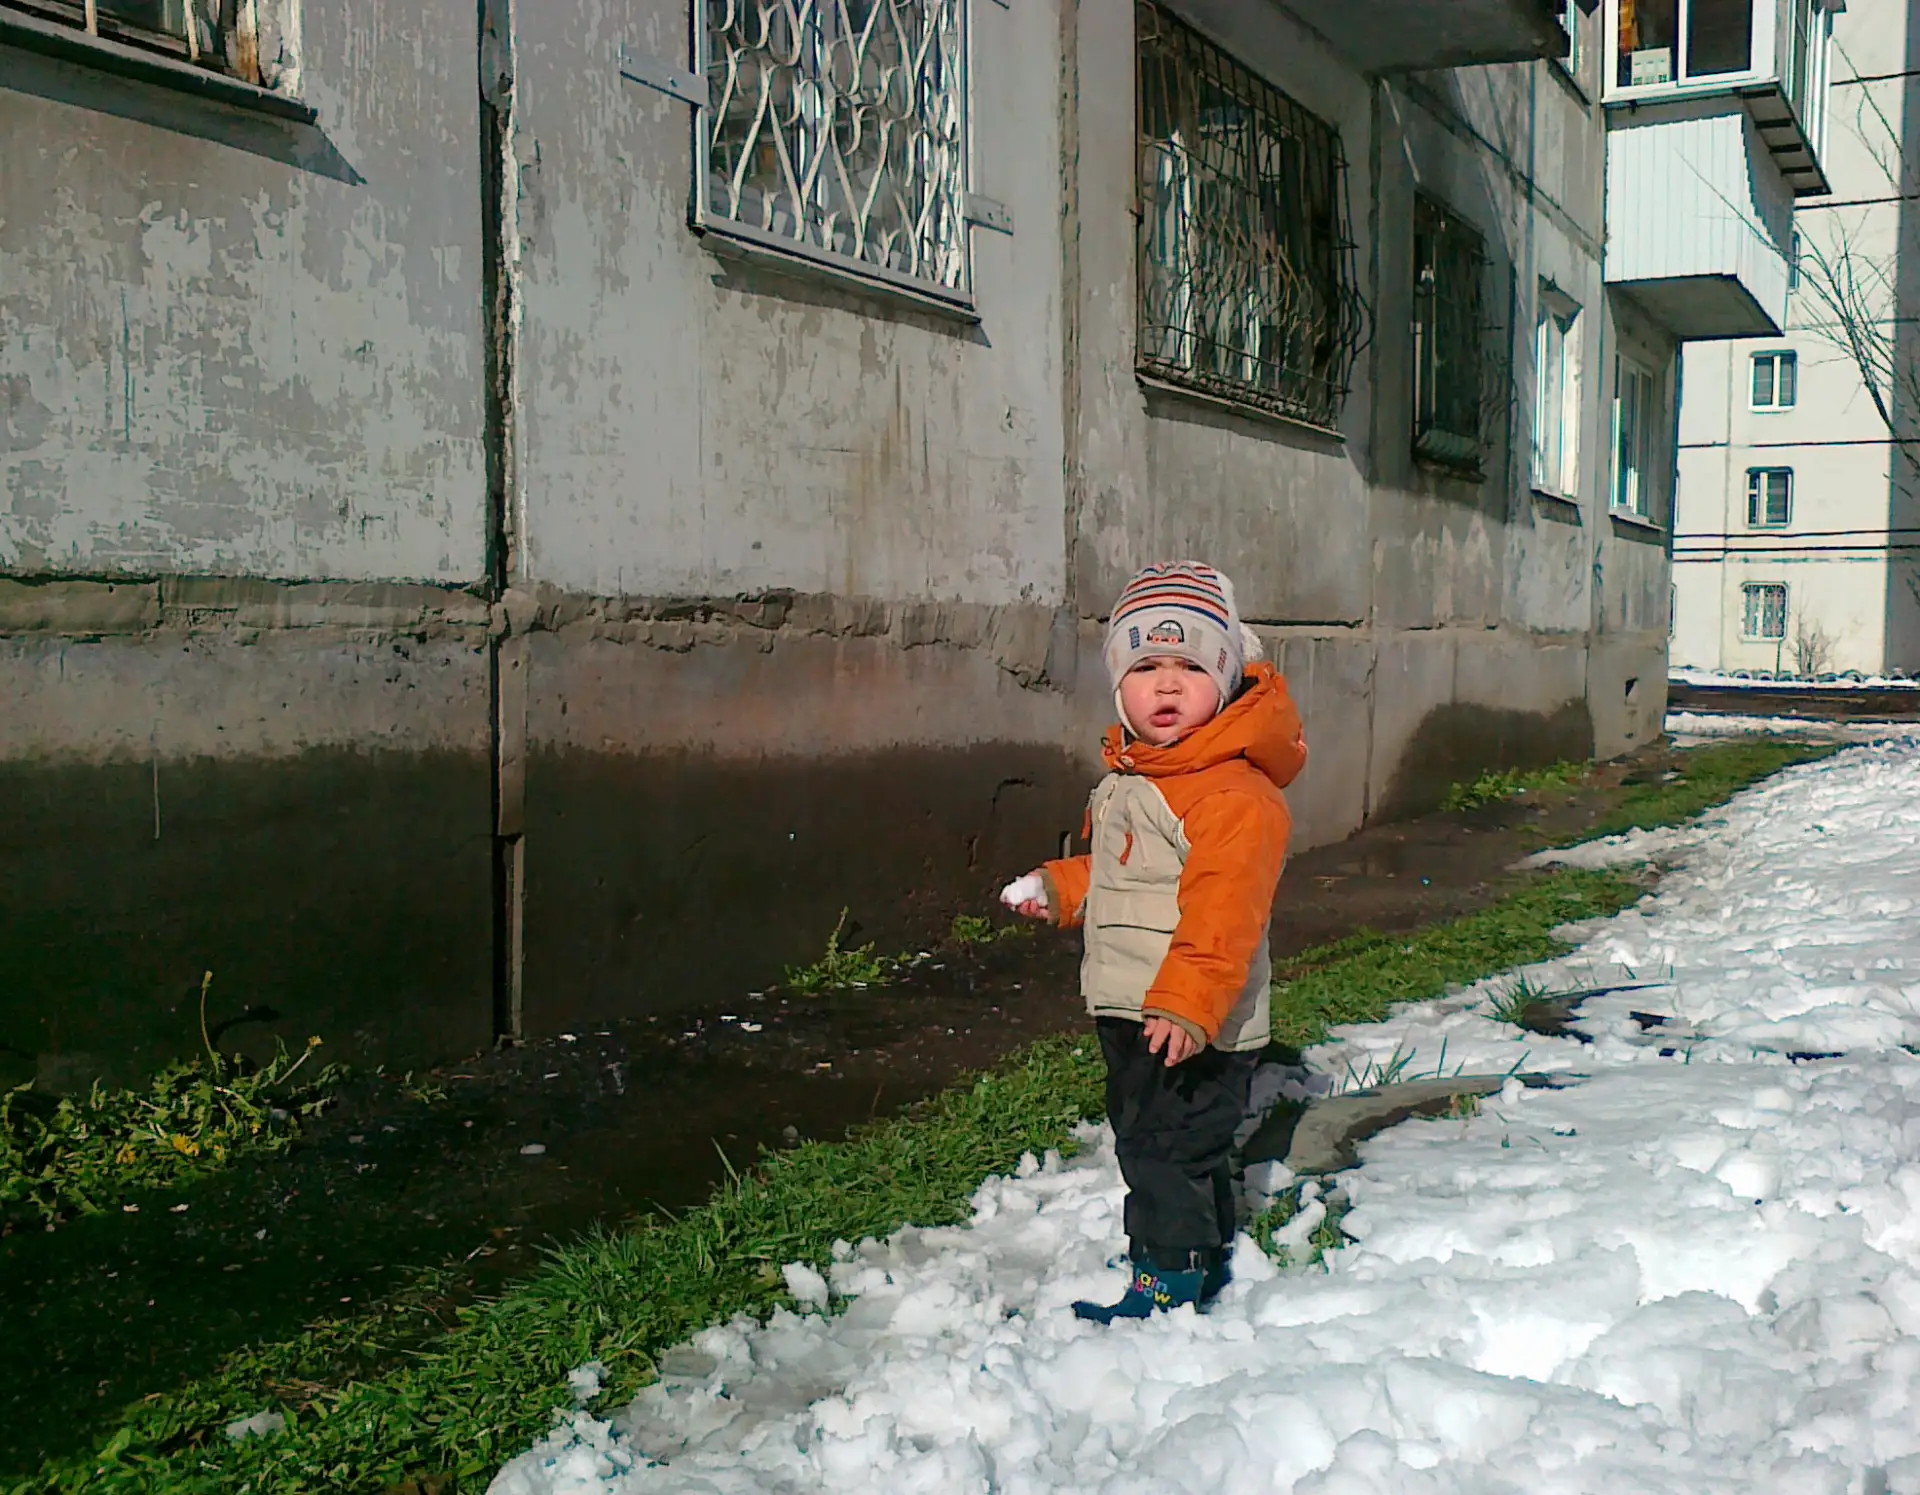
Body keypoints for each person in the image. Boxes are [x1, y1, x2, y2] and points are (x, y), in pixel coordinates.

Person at [1003, 561, 1306, 1322]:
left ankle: (1167, 1282)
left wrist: (1186, 1005)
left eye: (1189, 667)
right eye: (1145, 666)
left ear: (1227, 680)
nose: (1165, 686)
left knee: (1164, 1150)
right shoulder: (1146, 776)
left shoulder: (1231, 792)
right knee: (1162, 1141)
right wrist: (1062, 887)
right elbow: (1129, 872)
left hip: (1186, 1015)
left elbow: (1223, 913)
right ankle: (1192, 1250)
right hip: (1143, 1006)